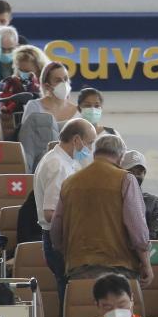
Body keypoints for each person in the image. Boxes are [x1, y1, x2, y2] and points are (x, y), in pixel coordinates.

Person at [52, 132, 152, 282]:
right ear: (121, 156)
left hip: (78, 267)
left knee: (83, 306)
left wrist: (68, 254)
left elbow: (56, 228)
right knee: (116, 306)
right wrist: (146, 263)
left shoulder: (70, 182)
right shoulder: (126, 179)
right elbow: (136, 227)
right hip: (119, 267)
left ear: (94, 154)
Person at [34, 117, 96, 290]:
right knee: (69, 289)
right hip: (59, 238)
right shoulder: (57, 165)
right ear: (76, 140)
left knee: (70, 289)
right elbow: (50, 212)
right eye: (89, 143)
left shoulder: (65, 161)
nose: (90, 149)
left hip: (64, 236)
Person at [20, 61, 79, 170]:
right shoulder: (34, 106)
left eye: (65, 79)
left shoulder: (78, 111)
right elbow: (27, 142)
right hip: (39, 166)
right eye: (58, 80)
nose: (63, 83)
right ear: (47, 85)